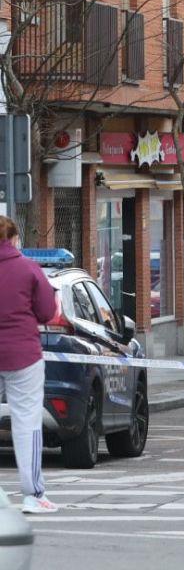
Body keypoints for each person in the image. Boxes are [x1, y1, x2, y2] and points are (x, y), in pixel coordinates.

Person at [0, 218, 58, 514]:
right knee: (26, 423)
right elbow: (47, 311)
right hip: (23, 354)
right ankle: (33, 494)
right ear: (12, 239)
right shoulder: (27, 268)